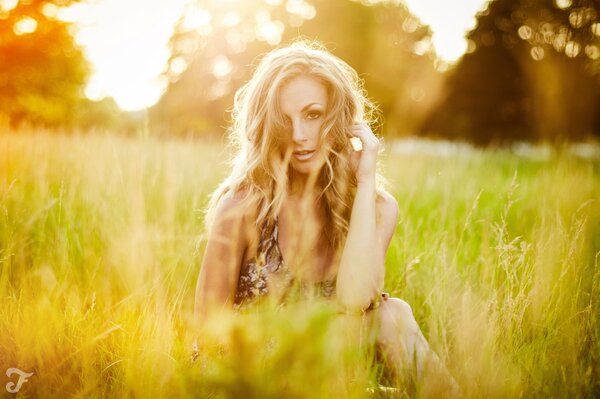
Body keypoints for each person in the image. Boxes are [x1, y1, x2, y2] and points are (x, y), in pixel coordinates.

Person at [193, 40, 457, 393]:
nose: (300, 136)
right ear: (267, 125)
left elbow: (355, 299)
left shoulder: (376, 208)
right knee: (388, 318)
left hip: (334, 380)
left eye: (313, 115)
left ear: (342, 119)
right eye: (284, 120)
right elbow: (207, 333)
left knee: (392, 315)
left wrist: (364, 182)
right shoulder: (242, 208)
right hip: (258, 379)